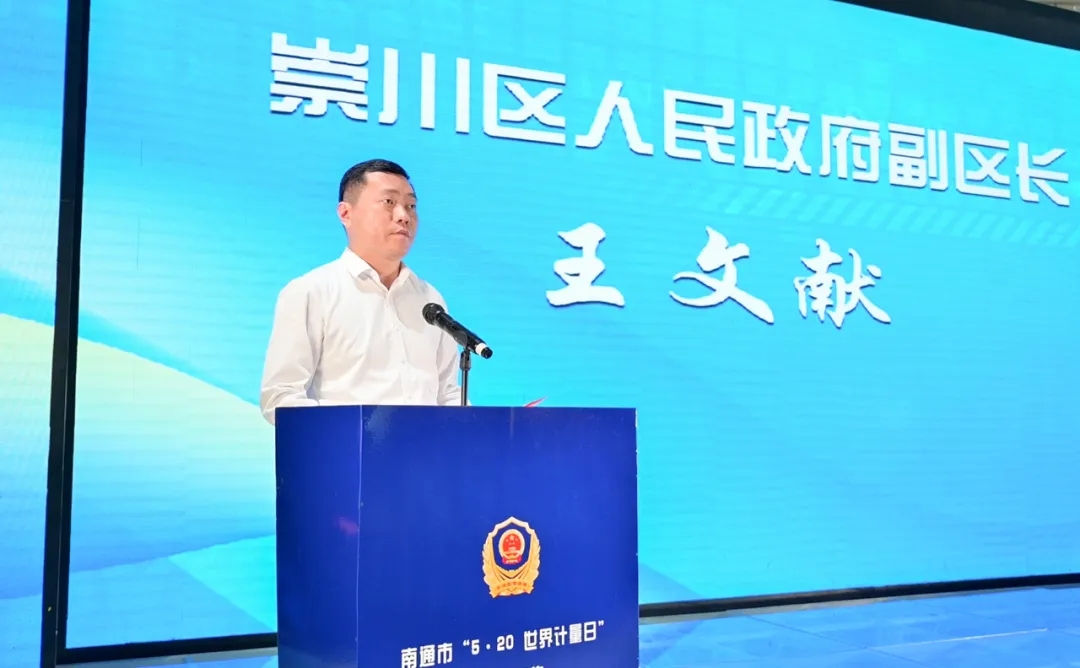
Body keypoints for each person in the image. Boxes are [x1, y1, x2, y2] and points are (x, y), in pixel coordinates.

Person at [259, 159, 462, 425]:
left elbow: (447, 394)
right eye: (389, 202)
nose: (403, 215)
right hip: (346, 450)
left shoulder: (430, 300)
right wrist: (350, 433)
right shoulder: (311, 292)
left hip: (425, 451)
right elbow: (281, 397)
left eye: (411, 206)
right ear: (346, 214)